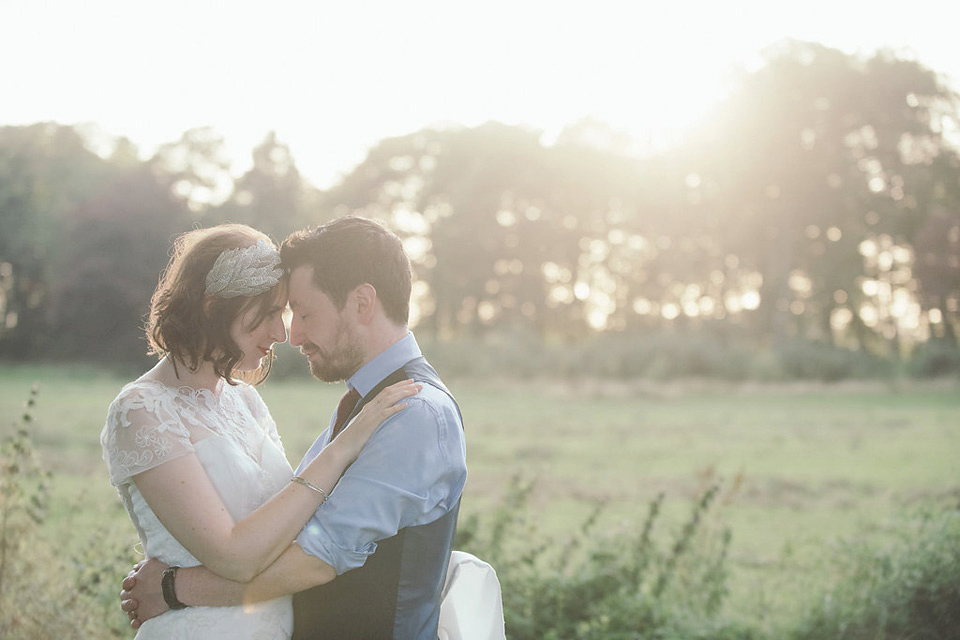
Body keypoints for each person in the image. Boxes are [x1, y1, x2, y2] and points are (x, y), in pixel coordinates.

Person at [121, 216, 480, 639]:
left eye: (303, 313)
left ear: (362, 303)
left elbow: (314, 558)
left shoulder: (413, 411)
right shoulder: (366, 404)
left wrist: (174, 587)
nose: (293, 335)